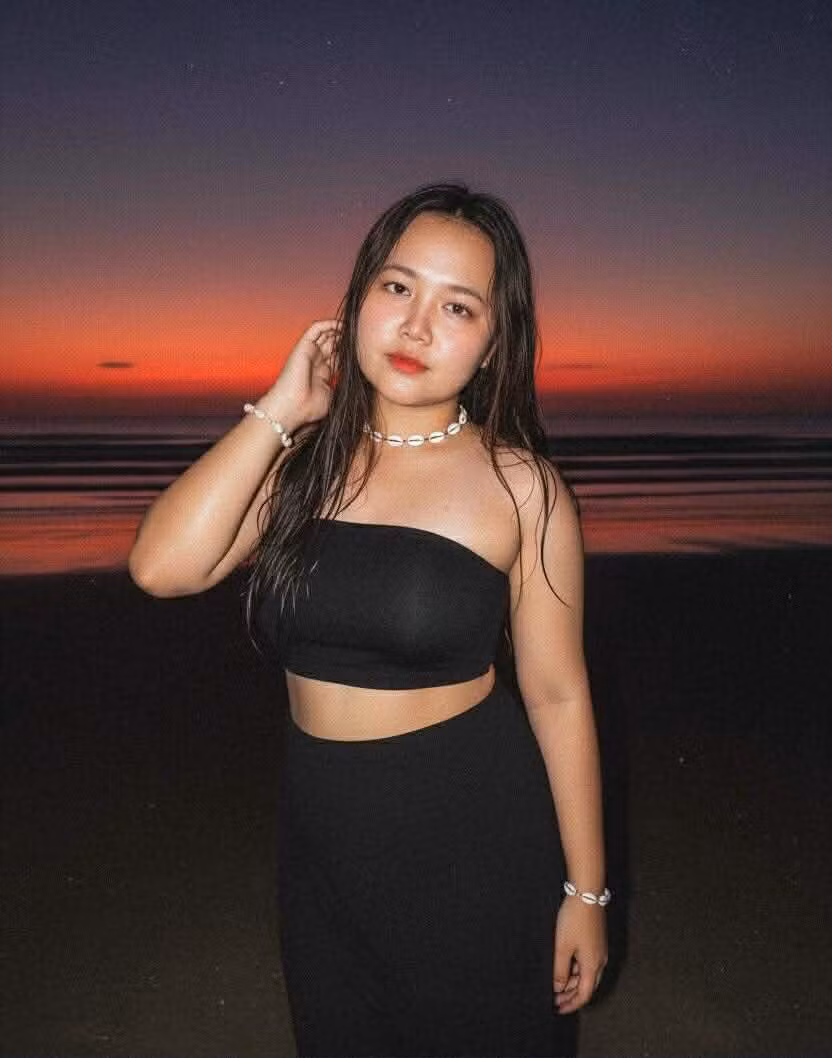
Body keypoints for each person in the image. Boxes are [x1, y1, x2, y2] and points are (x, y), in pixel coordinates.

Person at [129, 183, 609, 1057]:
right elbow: (162, 567)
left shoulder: (521, 487)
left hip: (473, 841)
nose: (416, 327)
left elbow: (556, 694)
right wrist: (281, 412)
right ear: (355, 303)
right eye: (397, 287)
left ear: (495, 343)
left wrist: (586, 891)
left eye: (457, 306)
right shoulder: (300, 467)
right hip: (323, 847)